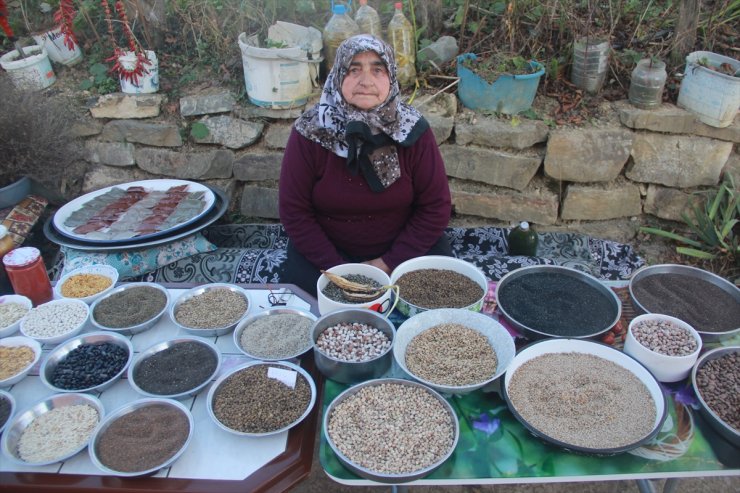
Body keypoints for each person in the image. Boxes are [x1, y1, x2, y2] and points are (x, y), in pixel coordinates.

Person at [278, 34, 452, 296]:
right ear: (338, 76)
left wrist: (388, 264)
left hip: (402, 250)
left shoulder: (412, 130)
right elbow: (294, 212)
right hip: (327, 256)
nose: (366, 81)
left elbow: (435, 207)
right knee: (309, 305)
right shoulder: (311, 131)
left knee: (438, 296)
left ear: (391, 76)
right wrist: (340, 271)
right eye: (354, 69)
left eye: (377, 69)